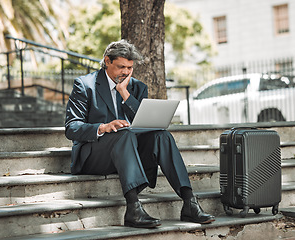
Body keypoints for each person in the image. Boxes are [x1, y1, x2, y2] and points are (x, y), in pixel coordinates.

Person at [65, 39, 215, 228]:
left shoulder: (136, 87)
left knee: (162, 136)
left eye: (129, 67)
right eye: (121, 67)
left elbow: (143, 122)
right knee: (124, 135)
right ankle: (133, 208)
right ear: (107, 61)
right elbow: (71, 127)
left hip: (130, 155)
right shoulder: (85, 85)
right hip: (96, 156)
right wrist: (103, 127)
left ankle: (189, 203)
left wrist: (124, 93)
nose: (126, 72)